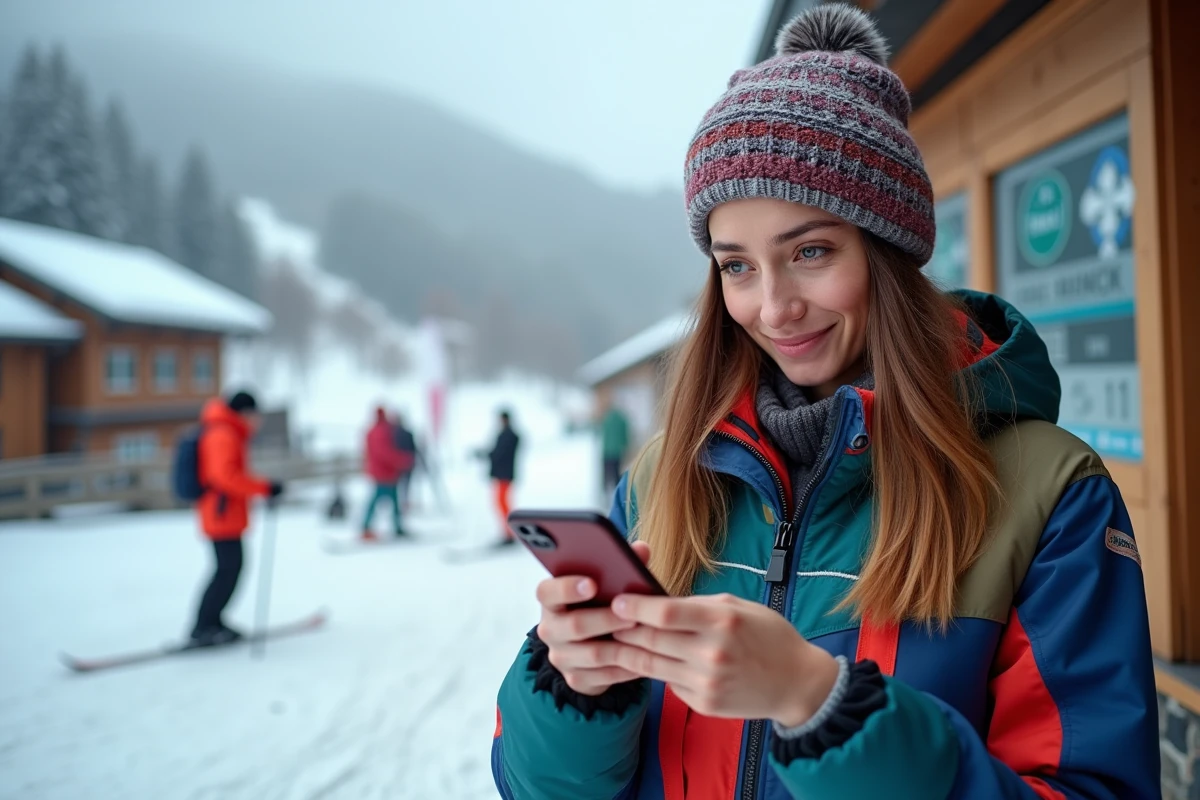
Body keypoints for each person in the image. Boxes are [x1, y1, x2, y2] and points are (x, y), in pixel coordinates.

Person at [491, 6, 1158, 799]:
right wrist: (574, 691)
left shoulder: (1046, 494)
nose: (773, 308)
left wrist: (823, 707)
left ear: (887, 250)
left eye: (810, 252)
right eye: (737, 266)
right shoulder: (663, 477)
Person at [190, 390, 282, 647]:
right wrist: (264, 488)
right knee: (226, 571)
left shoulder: (227, 432)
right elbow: (224, 477)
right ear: (244, 413)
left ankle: (213, 622)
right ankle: (203, 626)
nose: (257, 420)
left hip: (225, 513)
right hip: (221, 513)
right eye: (255, 414)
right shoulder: (222, 434)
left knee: (229, 569)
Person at [362, 406, 412, 541]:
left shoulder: (373, 430)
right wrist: (401, 460)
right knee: (377, 500)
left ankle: (397, 526)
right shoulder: (381, 431)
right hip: (384, 472)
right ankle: (366, 527)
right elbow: (384, 453)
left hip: (383, 471)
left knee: (393, 500)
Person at [481, 410, 520, 544]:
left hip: (504, 474)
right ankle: (507, 532)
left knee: (503, 504)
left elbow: (500, 454)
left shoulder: (509, 436)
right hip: (502, 474)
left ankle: (509, 533)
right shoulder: (506, 435)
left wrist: (488, 456)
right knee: (500, 503)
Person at [391, 412, 421, 512]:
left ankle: (401, 504)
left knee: (398, 485)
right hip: (407, 463)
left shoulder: (392, 434)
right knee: (406, 485)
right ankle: (404, 503)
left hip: (399, 464)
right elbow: (414, 449)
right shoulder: (407, 433)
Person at [598, 400, 630, 496]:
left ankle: (606, 493)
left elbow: (603, 435)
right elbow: (625, 436)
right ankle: (617, 493)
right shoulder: (622, 419)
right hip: (617, 451)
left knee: (607, 474)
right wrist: (625, 448)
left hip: (607, 451)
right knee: (616, 474)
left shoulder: (607, 419)